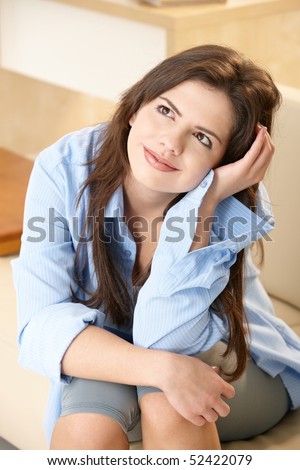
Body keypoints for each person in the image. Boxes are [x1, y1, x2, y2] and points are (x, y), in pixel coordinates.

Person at [12, 44, 300, 450]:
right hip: (127, 357)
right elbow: (39, 327)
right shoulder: (65, 166)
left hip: (239, 363)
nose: (170, 144)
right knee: (90, 427)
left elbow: (167, 335)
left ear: (224, 161)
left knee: (168, 402)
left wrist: (208, 200)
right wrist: (161, 370)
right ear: (135, 107)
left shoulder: (227, 204)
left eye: (202, 137)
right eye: (166, 111)